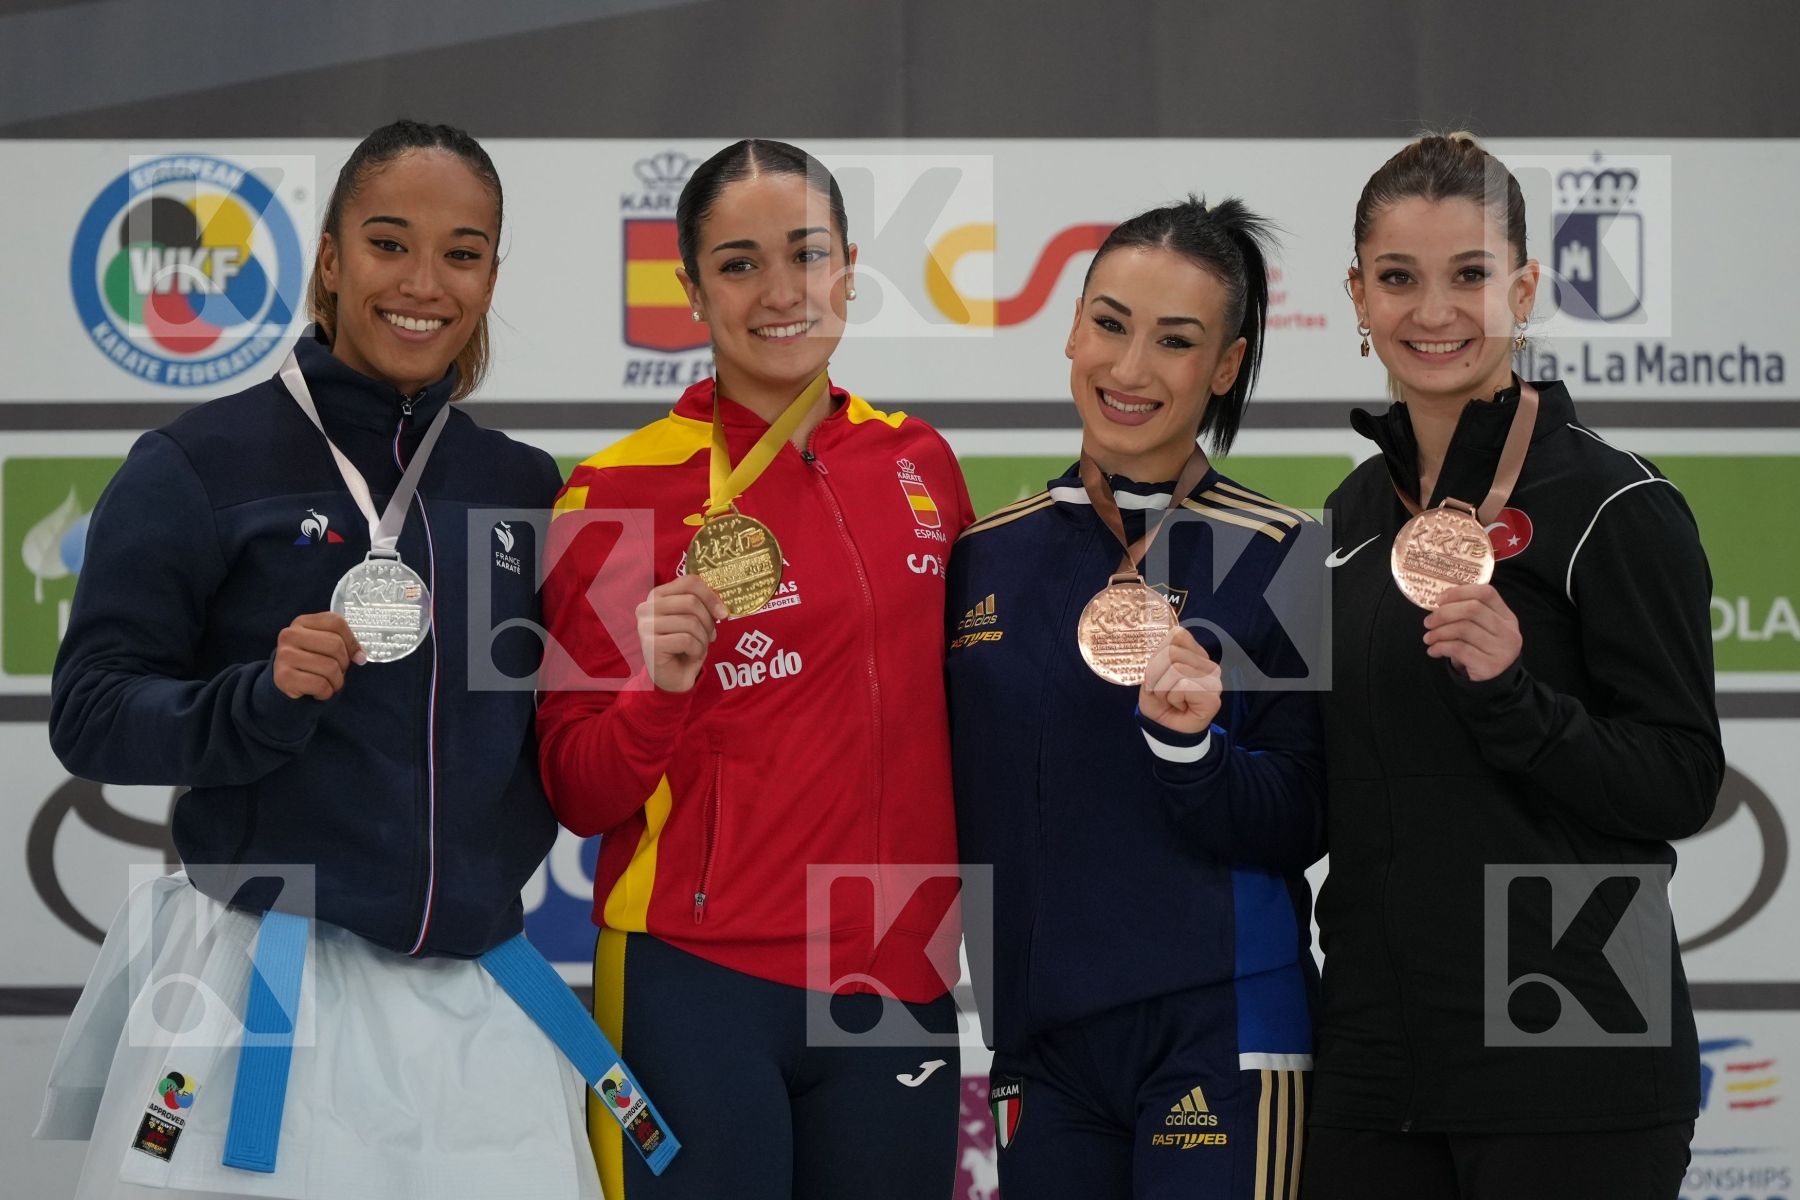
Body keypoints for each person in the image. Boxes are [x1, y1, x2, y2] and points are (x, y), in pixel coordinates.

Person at [37, 120, 600, 1200]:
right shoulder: (195, 464)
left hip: (478, 1003)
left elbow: (569, 743)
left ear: (490, 275)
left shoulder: (528, 486)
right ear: (332, 261)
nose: (423, 282)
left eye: (463, 251)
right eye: (389, 243)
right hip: (262, 979)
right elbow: (92, 711)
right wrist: (255, 699)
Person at [536, 138, 975, 1200]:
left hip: (889, 967)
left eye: (806, 254)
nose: (780, 292)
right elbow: (578, 789)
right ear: (689, 289)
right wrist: (659, 693)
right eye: (738, 264)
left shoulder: (920, 464)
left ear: (851, 266)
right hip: (699, 979)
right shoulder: (617, 493)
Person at [1303, 133, 1722, 1200]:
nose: (1432, 311)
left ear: (1525, 287)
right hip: (1379, 1063)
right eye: (1398, 278)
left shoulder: (1616, 506)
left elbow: (1681, 777)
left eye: (1471, 276)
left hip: (1576, 1039)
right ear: (1356, 295)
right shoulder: (1347, 520)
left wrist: (1517, 703)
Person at [947, 197, 1327, 1200]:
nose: (1129, 369)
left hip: (1226, 1028)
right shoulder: (983, 555)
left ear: (1227, 367)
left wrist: (1193, 754)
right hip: (1046, 1048)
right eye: (1110, 324)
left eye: (1176, 341)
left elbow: (1308, 811)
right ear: (1072, 326)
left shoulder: (1290, 554)